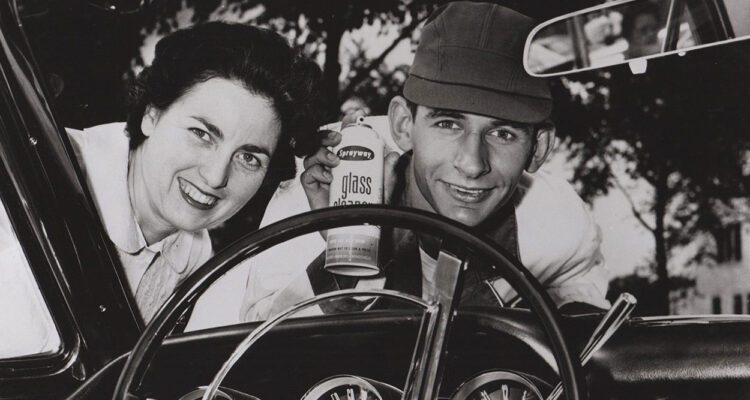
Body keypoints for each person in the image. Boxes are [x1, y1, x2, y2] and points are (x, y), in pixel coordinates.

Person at [241, 2, 610, 322]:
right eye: (448, 123)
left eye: (504, 133)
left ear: (539, 148)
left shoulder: (556, 221)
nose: (472, 163)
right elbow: (255, 352)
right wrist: (350, 251)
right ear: (404, 125)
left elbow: (581, 298)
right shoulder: (323, 184)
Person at [64, 21, 324, 324]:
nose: (216, 177)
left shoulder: (192, 249)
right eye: (201, 134)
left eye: (248, 158)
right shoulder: (38, 174)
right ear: (152, 114)